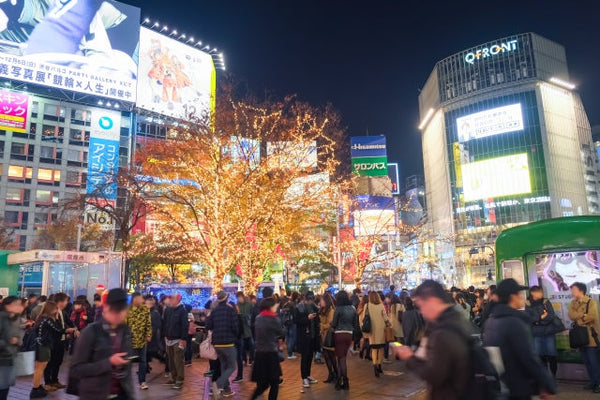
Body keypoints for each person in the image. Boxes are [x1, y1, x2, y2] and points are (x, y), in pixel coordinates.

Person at [392, 280, 471, 400]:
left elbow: (435, 375)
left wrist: (409, 357)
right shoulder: (455, 319)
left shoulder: (443, 332)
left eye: (420, 305)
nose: (420, 311)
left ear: (432, 300)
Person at [484, 279, 556, 399]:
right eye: (520, 295)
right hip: (518, 388)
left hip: (500, 387)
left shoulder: (490, 321)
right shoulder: (514, 323)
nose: (522, 298)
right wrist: (546, 384)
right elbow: (528, 357)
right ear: (512, 297)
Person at [69, 288, 135, 400]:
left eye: (123, 310)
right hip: (95, 394)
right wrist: (109, 362)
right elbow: (76, 369)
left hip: (122, 394)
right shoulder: (91, 332)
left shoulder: (125, 331)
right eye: (116, 311)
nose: (119, 315)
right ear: (106, 308)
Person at [30, 301, 75, 398]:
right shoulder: (47, 319)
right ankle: (35, 389)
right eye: (55, 309)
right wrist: (70, 330)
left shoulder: (41, 318)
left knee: (39, 368)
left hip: (39, 344)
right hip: (43, 345)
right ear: (51, 309)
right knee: (40, 368)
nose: (57, 310)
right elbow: (58, 329)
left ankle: (37, 387)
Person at [250, 297, 285, 400]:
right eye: (275, 305)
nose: (276, 307)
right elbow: (281, 332)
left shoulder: (258, 318)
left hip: (260, 353)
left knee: (263, 383)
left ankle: (253, 398)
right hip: (270, 353)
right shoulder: (274, 319)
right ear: (271, 306)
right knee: (274, 382)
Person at [206, 291, 239, 398]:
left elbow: (209, 326)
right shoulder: (231, 310)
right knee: (232, 367)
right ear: (226, 299)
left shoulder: (214, 311)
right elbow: (235, 326)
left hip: (217, 343)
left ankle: (227, 390)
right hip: (228, 343)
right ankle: (218, 384)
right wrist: (235, 336)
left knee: (224, 366)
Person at [569, 282, 600, 393]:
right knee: (586, 361)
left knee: (594, 361)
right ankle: (593, 382)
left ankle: (598, 383)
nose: (572, 292)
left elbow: (593, 316)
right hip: (580, 337)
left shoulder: (591, 302)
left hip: (591, 337)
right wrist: (583, 316)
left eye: (574, 290)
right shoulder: (573, 303)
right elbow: (571, 315)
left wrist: (579, 320)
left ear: (581, 291)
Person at [525, 285, 559, 378]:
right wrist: (540, 317)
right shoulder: (527, 304)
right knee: (540, 356)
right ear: (533, 293)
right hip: (536, 333)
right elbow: (528, 318)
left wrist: (537, 321)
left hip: (548, 331)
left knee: (552, 355)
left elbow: (551, 315)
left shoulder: (545, 302)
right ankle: (544, 377)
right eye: (539, 292)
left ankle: (553, 376)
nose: (541, 294)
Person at [44, 292, 74, 391]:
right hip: (52, 341)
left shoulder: (63, 312)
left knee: (58, 361)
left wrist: (74, 329)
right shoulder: (52, 311)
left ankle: (54, 381)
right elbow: (54, 328)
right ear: (60, 301)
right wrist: (66, 331)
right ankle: (47, 382)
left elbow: (69, 323)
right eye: (66, 301)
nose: (67, 303)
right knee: (50, 362)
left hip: (61, 340)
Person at [330, 290, 357, 391]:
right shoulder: (353, 308)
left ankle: (344, 381)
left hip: (339, 334)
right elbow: (355, 323)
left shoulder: (338, 309)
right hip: (349, 334)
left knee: (341, 359)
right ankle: (339, 381)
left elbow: (334, 323)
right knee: (342, 357)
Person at [162, 293, 188, 390]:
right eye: (170, 299)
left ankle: (179, 379)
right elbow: (165, 323)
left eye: (172, 299)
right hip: (169, 339)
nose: (170, 300)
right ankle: (173, 377)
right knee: (171, 360)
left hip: (178, 340)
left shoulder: (182, 310)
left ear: (178, 299)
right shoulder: (168, 310)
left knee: (178, 360)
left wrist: (183, 339)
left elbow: (184, 325)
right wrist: (165, 335)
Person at [126, 292, 152, 390]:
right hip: (130, 341)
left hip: (142, 340)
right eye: (140, 298)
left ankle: (142, 381)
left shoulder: (145, 309)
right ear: (134, 299)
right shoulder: (128, 310)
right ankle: (126, 382)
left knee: (143, 361)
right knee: (128, 362)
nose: (142, 300)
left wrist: (148, 335)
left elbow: (148, 323)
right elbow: (124, 325)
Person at [360, 291, 390, 377]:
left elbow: (363, 318)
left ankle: (374, 366)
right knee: (380, 349)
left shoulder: (367, 305)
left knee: (374, 349)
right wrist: (389, 325)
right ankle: (379, 366)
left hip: (372, 330)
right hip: (381, 328)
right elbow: (385, 317)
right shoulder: (381, 305)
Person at [0, 296, 25, 400]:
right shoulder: (1, 318)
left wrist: (18, 341)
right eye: (17, 304)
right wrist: (7, 343)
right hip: (2, 358)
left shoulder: (17, 319)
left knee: (5, 387)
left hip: (11, 358)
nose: (20, 307)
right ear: (8, 306)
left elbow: (19, 336)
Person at [295, 291, 319, 388]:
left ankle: (308, 375)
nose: (310, 302)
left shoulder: (314, 307)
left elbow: (317, 319)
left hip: (313, 335)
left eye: (311, 300)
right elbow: (296, 321)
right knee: (304, 357)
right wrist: (307, 318)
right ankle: (304, 377)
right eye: (309, 300)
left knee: (310, 356)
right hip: (304, 335)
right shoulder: (299, 307)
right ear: (305, 299)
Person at [234, 291, 254, 382]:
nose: (239, 299)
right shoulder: (237, 305)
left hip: (248, 328)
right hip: (241, 330)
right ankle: (244, 360)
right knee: (242, 347)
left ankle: (251, 359)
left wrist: (243, 316)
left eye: (240, 297)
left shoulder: (249, 304)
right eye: (238, 298)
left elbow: (251, 315)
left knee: (251, 345)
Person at [318, 292, 337, 385]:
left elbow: (330, 324)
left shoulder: (331, 311)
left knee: (331, 356)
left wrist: (321, 326)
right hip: (323, 336)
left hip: (329, 336)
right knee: (326, 356)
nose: (320, 302)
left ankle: (336, 374)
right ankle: (331, 374)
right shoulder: (322, 310)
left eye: (321, 300)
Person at [145, 295, 165, 373]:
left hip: (152, 336)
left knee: (153, 352)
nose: (148, 305)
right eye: (147, 303)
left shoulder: (155, 313)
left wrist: (150, 333)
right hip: (147, 335)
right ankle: (145, 367)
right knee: (147, 352)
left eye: (149, 304)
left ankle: (165, 361)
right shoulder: (147, 311)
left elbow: (157, 325)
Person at [282, 292, 299, 359]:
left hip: (286, 322)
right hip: (292, 322)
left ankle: (289, 352)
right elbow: (295, 314)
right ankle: (290, 353)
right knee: (292, 338)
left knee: (288, 337)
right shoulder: (294, 305)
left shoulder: (287, 303)